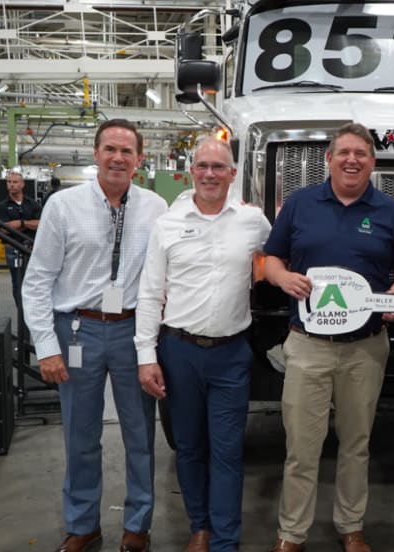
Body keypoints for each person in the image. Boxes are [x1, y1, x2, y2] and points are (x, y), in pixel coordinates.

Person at [263, 122, 394, 552]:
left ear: (373, 161)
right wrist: (282, 278)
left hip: (365, 348)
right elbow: (271, 258)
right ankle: (291, 533)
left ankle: (351, 526)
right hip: (308, 345)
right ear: (329, 159)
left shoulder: (390, 212)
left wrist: (392, 298)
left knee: (356, 443)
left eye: (361, 154)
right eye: (344, 152)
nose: (352, 160)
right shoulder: (299, 204)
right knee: (301, 447)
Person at [22, 119, 168, 552]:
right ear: (95, 153)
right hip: (79, 332)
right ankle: (83, 525)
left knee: (140, 434)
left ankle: (138, 526)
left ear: (139, 159)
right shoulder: (63, 206)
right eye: (110, 149)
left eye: (126, 151)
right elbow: (37, 281)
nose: (118, 158)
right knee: (80, 434)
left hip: (132, 333)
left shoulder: (156, 207)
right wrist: (47, 347)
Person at [135, 137, 271, 552]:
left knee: (227, 452)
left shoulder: (254, 222)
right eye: (202, 166)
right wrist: (146, 356)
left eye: (219, 167)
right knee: (190, 447)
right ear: (190, 171)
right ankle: (200, 526)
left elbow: (278, 258)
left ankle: (225, 540)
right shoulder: (168, 225)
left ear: (233, 174)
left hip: (232, 354)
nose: (210, 174)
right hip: (179, 352)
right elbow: (149, 291)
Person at [0, 168, 41, 308]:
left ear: (22, 184)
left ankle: (33, 311)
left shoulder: (33, 204)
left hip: (32, 250)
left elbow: (41, 224)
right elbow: (4, 228)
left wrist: (20, 223)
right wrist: (29, 224)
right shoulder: (2, 206)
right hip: (12, 250)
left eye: (15, 182)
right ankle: (21, 312)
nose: (11, 185)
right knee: (17, 283)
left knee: (34, 282)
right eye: (9, 182)